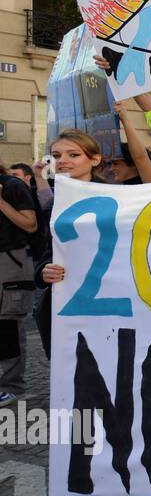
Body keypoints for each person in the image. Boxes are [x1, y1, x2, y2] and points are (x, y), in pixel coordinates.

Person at [34, 130, 105, 360]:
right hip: (62, 306)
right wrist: (44, 271)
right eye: (56, 155)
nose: (63, 161)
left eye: (73, 154)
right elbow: (45, 253)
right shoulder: (53, 204)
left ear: (95, 159)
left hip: (108, 306)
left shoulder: (120, 198)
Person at [0, 161, 38, 406]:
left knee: (8, 327)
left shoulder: (12, 186)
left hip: (11, 260)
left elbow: (30, 224)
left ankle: (12, 386)